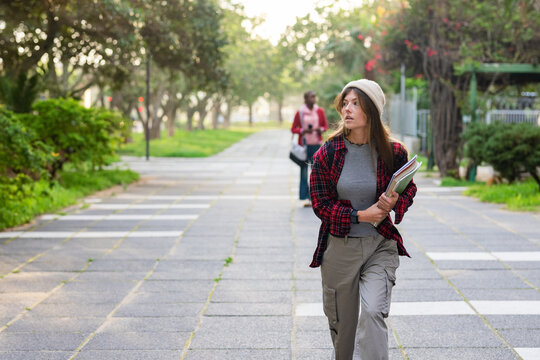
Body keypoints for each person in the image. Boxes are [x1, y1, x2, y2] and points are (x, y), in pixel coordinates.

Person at [309, 79, 417, 360]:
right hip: (340, 249)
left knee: (372, 313)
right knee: (343, 331)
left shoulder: (393, 152)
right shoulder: (327, 154)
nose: (347, 109)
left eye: (356, 103)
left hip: (379, 245)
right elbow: (321, 205)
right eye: (345, 103)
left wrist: (396, 201)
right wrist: (359, 215)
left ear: (372, 110)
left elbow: (409, 187)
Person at [291, 90, 328, 207]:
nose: (313, 99)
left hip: (317, 144)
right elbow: (293, 129)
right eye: (311, 97)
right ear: (305, 99)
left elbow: (325, 126)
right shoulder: (300, 112)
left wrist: (319, 130)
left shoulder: (319, 111)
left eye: (314, 97)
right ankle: (304, 197)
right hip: (304, 146)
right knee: (303, 172)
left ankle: (314, 197)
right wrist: (303, 131)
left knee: (315, 172)